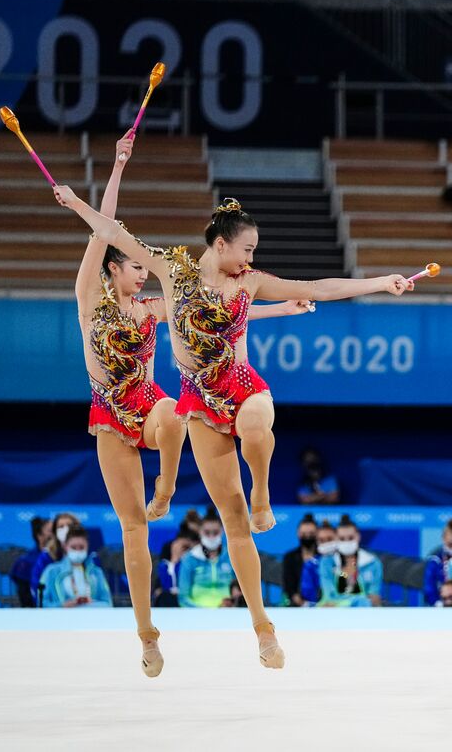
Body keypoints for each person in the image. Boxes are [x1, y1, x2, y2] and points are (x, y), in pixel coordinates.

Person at [57, 186, 413, 668]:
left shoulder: (248, 282)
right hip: (196, 404)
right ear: (220, 244)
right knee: (232, 522)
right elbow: (111, 231)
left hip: (243, 387)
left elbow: (316, 287)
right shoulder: (172, 275)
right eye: (247, 249)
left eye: (254, 252)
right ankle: (238, 632)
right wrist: (79, 203)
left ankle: (262, 492)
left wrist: (378, 283)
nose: (251, 259)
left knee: (254, 426)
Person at [76, 134, 308, 675]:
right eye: (132, 268)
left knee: (176, 416)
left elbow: (216, 316)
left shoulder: (156, 307)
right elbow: (105, 228)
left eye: (143, 268)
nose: (141, 273)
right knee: (133, 530)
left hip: (149, 400)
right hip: (109, 414)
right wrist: (117, 165)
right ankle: (147, 635)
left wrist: (284, 311)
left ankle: (166, 486)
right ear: (114, 269)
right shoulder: (89, 300)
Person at [39, 525, 112, 609]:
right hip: (60, 619)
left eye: (81, 547)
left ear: (87, 546)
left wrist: (91, 604)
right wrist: (62, 605)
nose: (77, 551)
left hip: (92, 618)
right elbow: (42, 604)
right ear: (65, 546)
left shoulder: (96, 572)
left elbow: (108, 603)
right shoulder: (51, 571)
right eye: (73, 547)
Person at [317, 516, 383, 607]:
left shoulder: (372, 563)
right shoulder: (327, 562)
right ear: (336, 538)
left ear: (358, 537)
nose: (346, 542)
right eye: (342, 539)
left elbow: (373, 596)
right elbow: (329, 596)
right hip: (334, 610)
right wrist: (349, 603)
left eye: (351, 538)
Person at [177, 508, 235, 609]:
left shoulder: (232, 556)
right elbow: (183, 597)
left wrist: (234, 603)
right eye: (207, 532)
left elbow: (240, 590)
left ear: (222, 531)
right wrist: (202, 612)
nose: (211, 537)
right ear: (200, 532)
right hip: (196, 615)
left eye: (215, 532)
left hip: (227, 612)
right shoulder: (189, 558)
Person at [31, 512, 82, 598]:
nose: (66, 529)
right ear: (55, 532)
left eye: (69, 525)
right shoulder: (46, 557)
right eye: (61, 527)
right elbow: (38, 590)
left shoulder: (87, 557)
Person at [423, 518, 452, 606]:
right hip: (442, 603)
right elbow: (429, 586)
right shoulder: (436, 561)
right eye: (451, 544)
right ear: (443, 539)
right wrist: (436, 602)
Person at [10, 516, 49, 608]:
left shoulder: (65, 561)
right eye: (51, 531)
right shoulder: (26, 562)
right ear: (39, 535)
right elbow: (26, 602)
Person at [299, 520, 338, 606]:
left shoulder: (348, 561)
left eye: (329, 539)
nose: (326, 543)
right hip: (321, 607)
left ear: (337, 538)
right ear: (317, 542)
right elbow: (308, 593)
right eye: (321, 540)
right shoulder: (310, 565)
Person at [282, 514, 318, 606]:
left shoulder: (323, 556)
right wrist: (302, 603)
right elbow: (288, 585)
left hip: (321, 603)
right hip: (296, 604)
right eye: (304, 534)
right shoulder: (290, 557)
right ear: (298, 533)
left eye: (311, 533)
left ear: (317, 533)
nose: (307, 537)